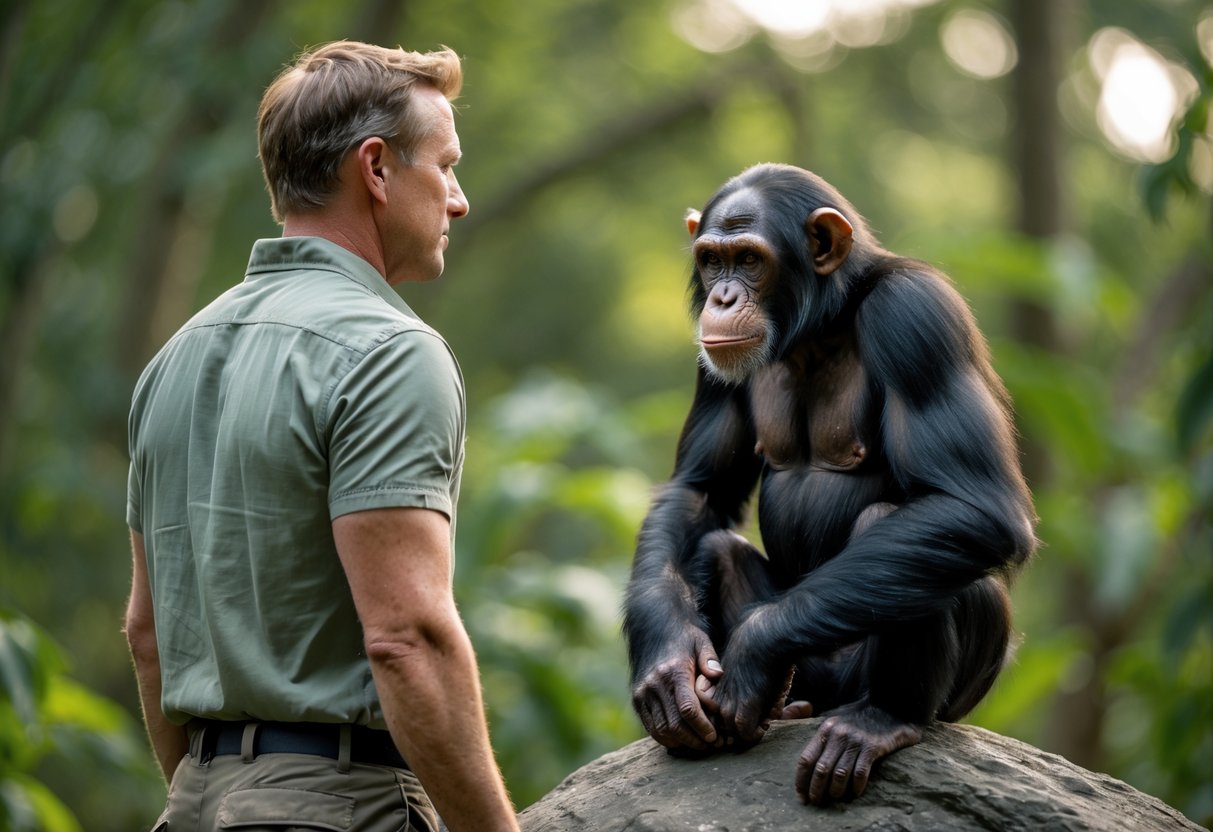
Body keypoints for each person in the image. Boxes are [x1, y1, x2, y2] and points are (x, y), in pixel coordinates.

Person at [123, 41, 519, 832]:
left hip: (195, 806)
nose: (458, 199)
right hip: (339, 808)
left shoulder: (172, 361)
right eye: (445, 166)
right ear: (375, 169)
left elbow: (146, 634)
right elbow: (406, 637)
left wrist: (226, 793)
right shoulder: (393, 353)